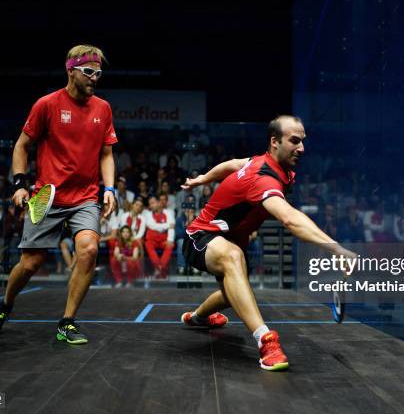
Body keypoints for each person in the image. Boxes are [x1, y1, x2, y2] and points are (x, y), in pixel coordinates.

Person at [180, 115, 355, 371]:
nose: (302, 148)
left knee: (234, 294)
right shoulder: (263, 177)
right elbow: (289, 219)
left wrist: (203, 178)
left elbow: (231, 164)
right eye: (294, 141)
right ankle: (266, 340)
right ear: (275, 142)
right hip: (199, 238)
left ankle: (196, 318)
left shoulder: (261, 162)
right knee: (233, 259)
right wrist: (336, 248)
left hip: (230, 239)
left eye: (303, 141)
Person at [0, 44, 117, 345]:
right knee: (31, 264)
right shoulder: (46, 105)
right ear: (71, 70)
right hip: (48, 196)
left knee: (89, 250)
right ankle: (5, 304)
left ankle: (67, 321)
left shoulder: (103, 108)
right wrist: (19, 184)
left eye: (98, 73)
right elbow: (21, 146)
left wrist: (109, 189)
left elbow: (107, 154)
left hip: (85, 197)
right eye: (88, 72)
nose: (94, 78)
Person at [144, 195, 175, 279]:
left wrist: (170, 240)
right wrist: (167, 225)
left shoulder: (168, 212)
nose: (151, 206)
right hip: (152, 239)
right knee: (148, 244)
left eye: (153, 203)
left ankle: (159, 268)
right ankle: (160, 267)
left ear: (158, 203)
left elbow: (172, 229)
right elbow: (152, 226)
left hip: (163, 240)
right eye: (150, 204)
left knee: (170, 245)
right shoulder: (147, 214)